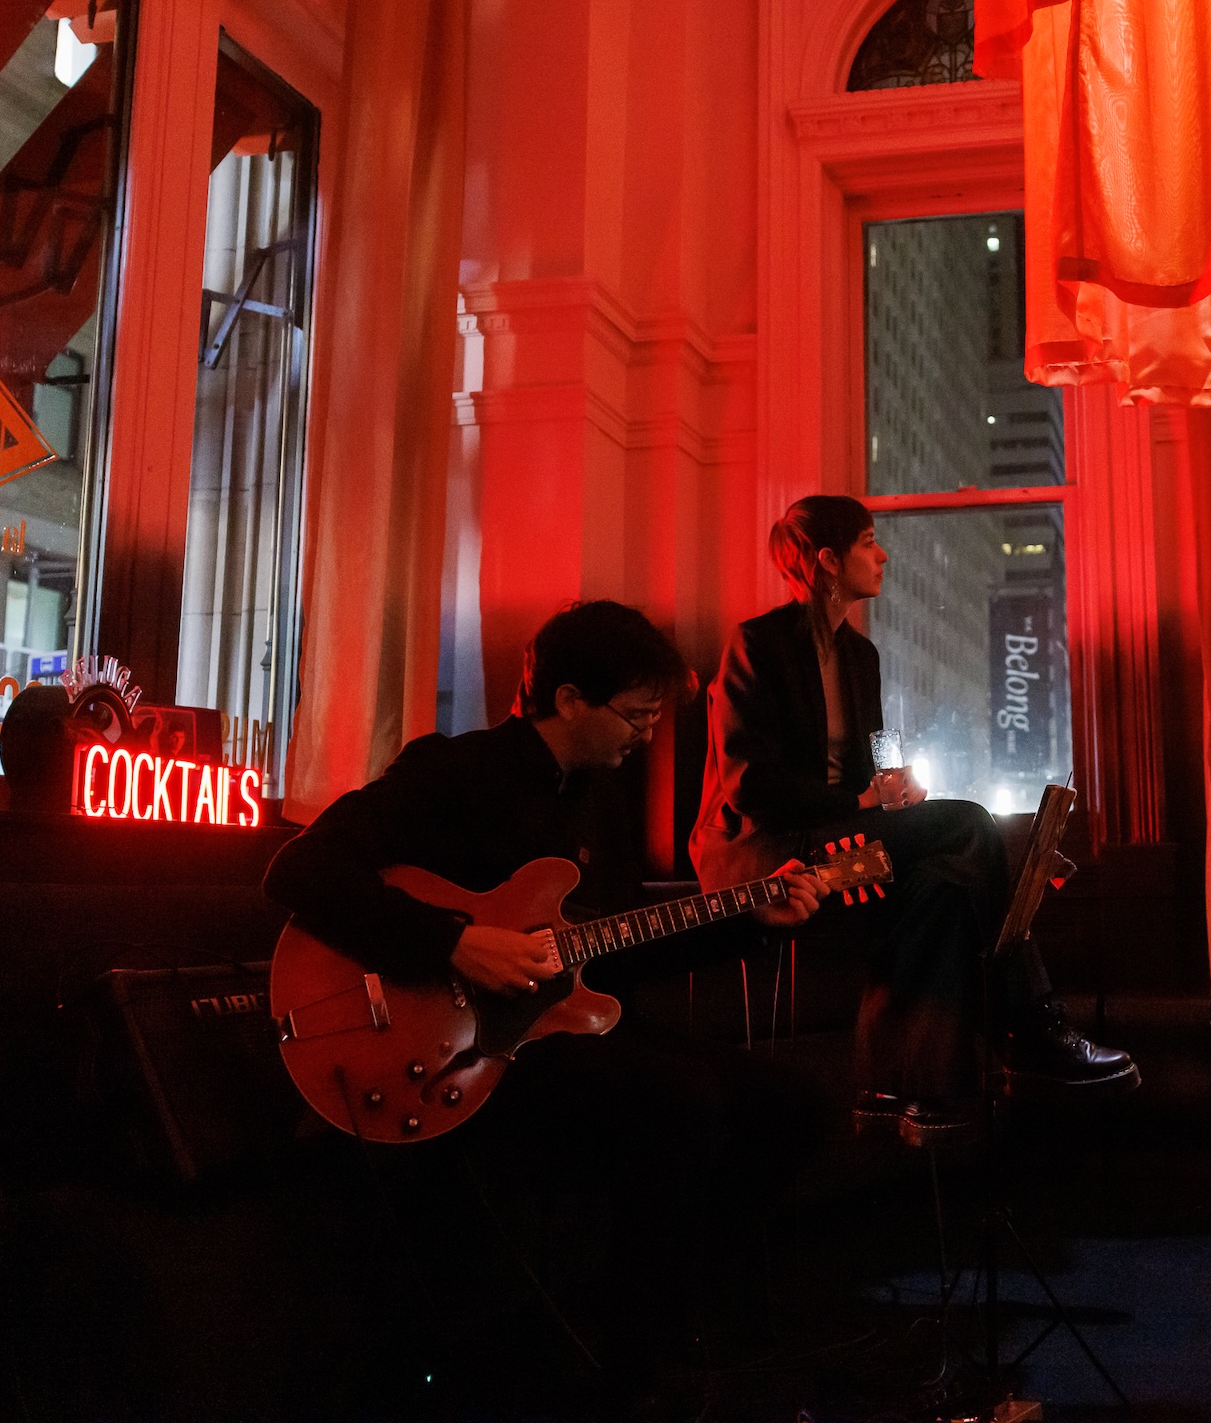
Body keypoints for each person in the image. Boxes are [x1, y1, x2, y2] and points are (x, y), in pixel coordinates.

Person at [263, 600, 824, 1404]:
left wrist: (747, 920)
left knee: (791, 1104)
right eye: (635, 714)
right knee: (681, 1104)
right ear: (568, 699)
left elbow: (613, 941)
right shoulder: (454, 772)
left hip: (553, 1032)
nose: (647, 734)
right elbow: (298, 872)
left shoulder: (595, 797)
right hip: (459, 1050)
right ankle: (630, 1365)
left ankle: (675, 1320)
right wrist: (452, 941)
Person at [690, 494, 1136, 1144]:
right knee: (969, 825)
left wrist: (892, 793)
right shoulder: (756, 644)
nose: (883, 554)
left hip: (836, 850)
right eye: (869, 541)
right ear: (828, 560)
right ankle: (1035, 1029)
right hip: (765, 857)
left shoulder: (860, 656)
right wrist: (862, 805)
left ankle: (900, 1090)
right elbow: (748, 784)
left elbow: (872, 769)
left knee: (946, 887)